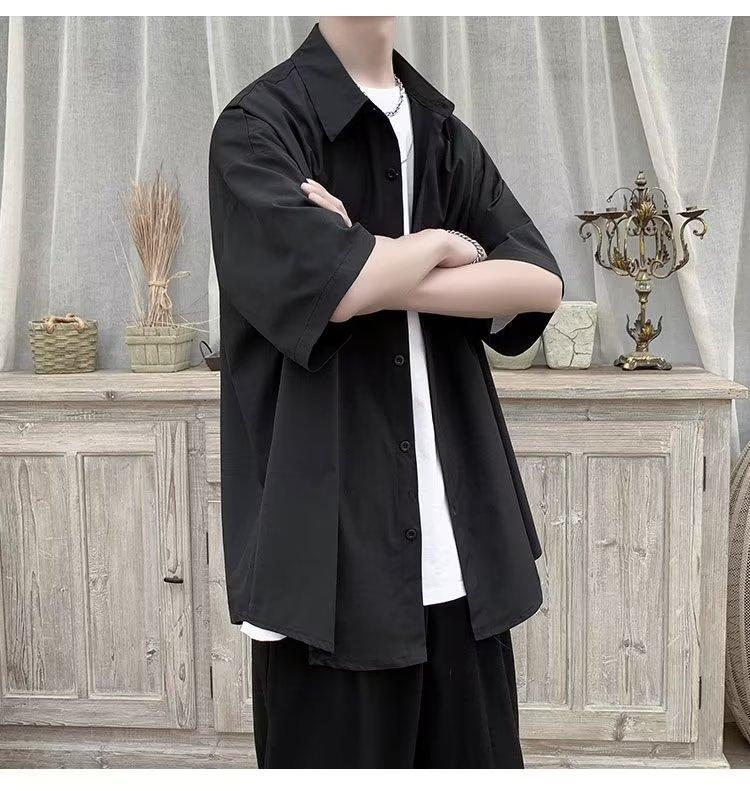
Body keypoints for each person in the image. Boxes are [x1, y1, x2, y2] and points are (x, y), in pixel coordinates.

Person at [208, 17, 564, 769]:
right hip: (326, 568)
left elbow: (539, 282)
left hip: (462, 559)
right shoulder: (257, 130)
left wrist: (372, 261)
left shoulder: (440, 131)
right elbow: (336, 296)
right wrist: (442, 245)